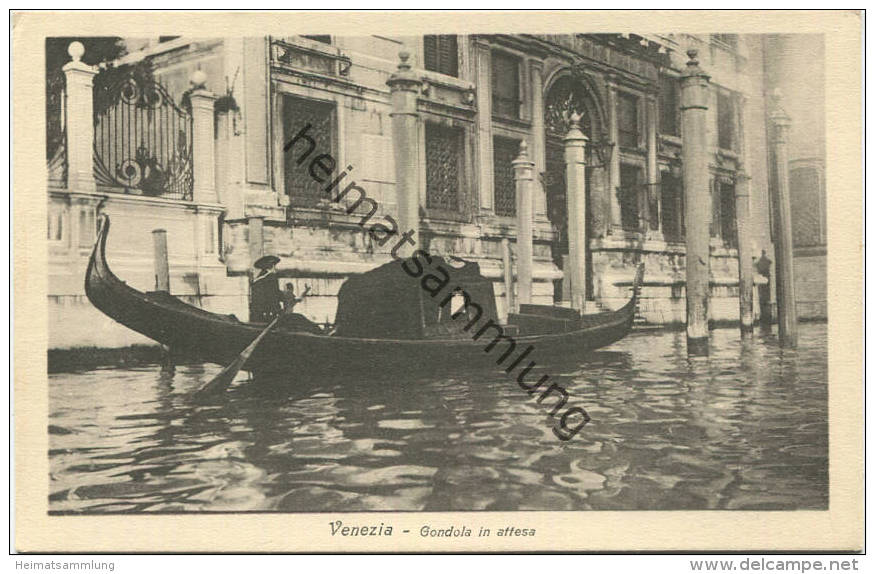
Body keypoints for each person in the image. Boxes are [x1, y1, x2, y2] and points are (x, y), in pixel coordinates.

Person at [249, 255, 282, 323]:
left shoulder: (259, 278)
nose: (275, 268)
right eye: (274, 265)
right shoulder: (271, 277)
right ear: (271, 266)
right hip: (269, 315)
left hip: (256, 315)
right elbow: (273, 295)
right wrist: (278, 310)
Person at [755, 250, 773, 328]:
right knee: (766, 298)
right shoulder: (767, 261)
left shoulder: (759, 262)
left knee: (762, 297)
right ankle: (766, 316)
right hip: (766, 278)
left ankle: (764, 315)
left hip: (762, 279)